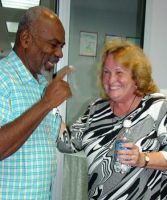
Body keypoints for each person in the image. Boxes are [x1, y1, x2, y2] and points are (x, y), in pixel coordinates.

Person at [57, 39, 167, 200]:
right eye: (106, 72)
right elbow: (68, 144)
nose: (110, 79)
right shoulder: (95, 108)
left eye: (119, 72)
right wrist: (52, 106)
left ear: (137, 76)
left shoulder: (157, 107)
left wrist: (143, 158)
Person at [0, 6, 72, 200]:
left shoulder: (41, 83)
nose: (59, 54)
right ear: (26, 39)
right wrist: (46, 103)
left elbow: (57, 137)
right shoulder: (2, 77)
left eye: (61, 46)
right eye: (53, 44)